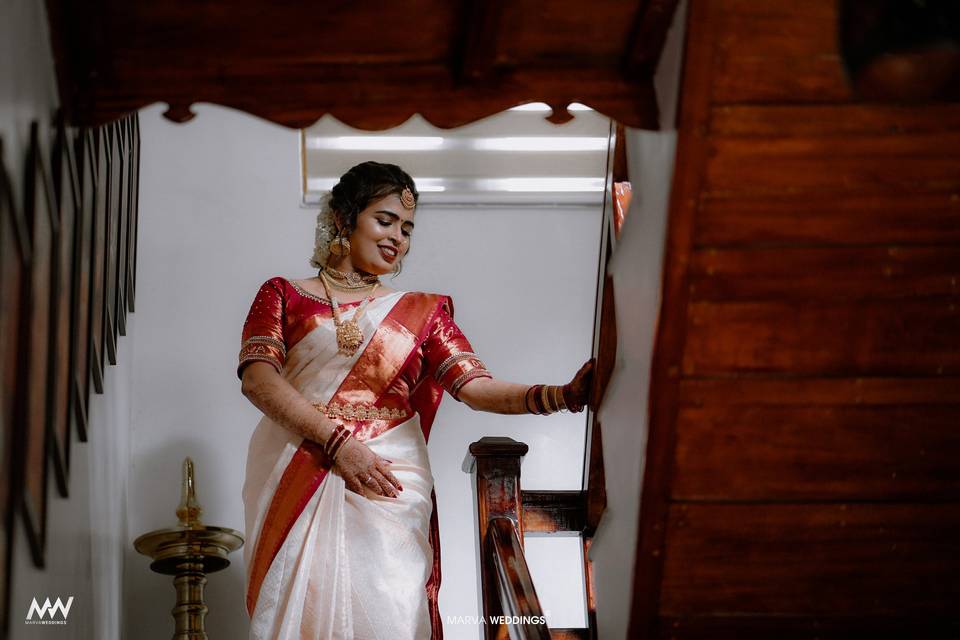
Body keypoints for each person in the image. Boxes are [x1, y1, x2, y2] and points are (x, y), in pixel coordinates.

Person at [239, 161, 593, 639]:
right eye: (385, 220)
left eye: (406, 229)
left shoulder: (423, 313)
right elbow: (259, 381)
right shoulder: (282, 294)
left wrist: (559, 396)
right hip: (300, 469)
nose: (398, 238)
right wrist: (339, 443)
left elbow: (475, 385)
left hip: (390, 484)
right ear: (344, 219)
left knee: (391, 611)